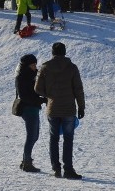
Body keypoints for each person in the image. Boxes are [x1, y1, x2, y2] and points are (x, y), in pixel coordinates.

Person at [35, 42, 85, 179]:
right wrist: (81, 107)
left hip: (53, 109)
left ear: (52, 52)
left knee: (53, 138)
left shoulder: (45, 67)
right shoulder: (72, 68)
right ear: (65, 52)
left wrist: (49, 96)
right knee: (68, 139)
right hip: (69, 109)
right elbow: (78, 89)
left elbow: (37, 88)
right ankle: (68, 169)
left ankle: (56, 168)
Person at [15, 54, 47, 173]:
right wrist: (40, 100)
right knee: (31, 136)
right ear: (27, 66)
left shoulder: (34, 75)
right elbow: (24, 96)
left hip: (33, 108)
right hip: (27, 109)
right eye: (33, 65)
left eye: (35, 64)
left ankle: (25, 160)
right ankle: (27, 162)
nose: (35, 66)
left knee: (35, 136)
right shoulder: (21, 77)